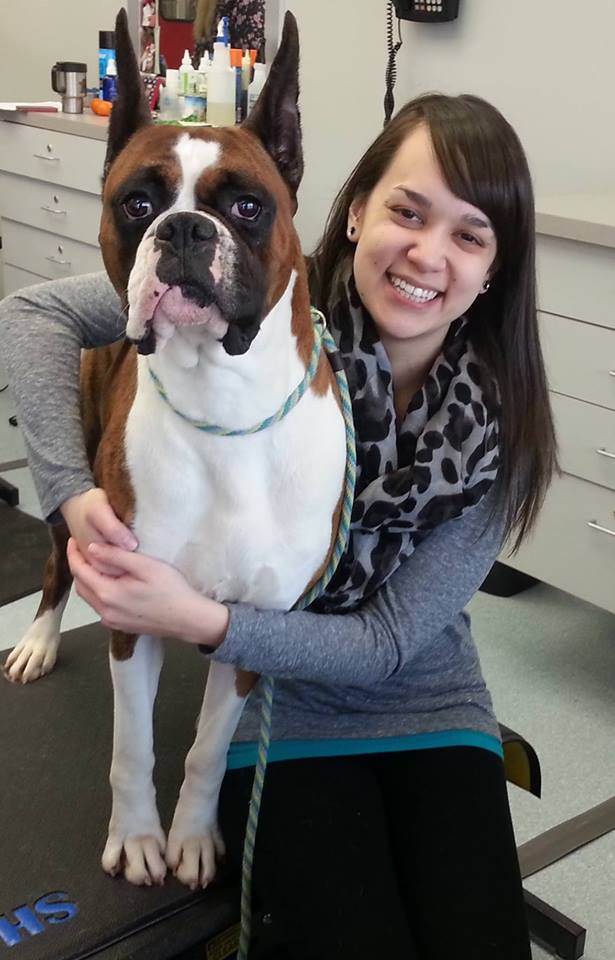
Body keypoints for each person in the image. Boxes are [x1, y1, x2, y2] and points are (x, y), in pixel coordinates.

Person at [0, 93, 556, 959]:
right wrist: (70, 489)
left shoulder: (504, 428)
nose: (425, 253)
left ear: (495, 266)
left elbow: (384, 646)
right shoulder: (276, 293)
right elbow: (32, 314)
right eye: (405, 211)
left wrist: (202, 623)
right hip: (281, 716)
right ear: (355, 206)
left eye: (469, 234)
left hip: (422, 693)